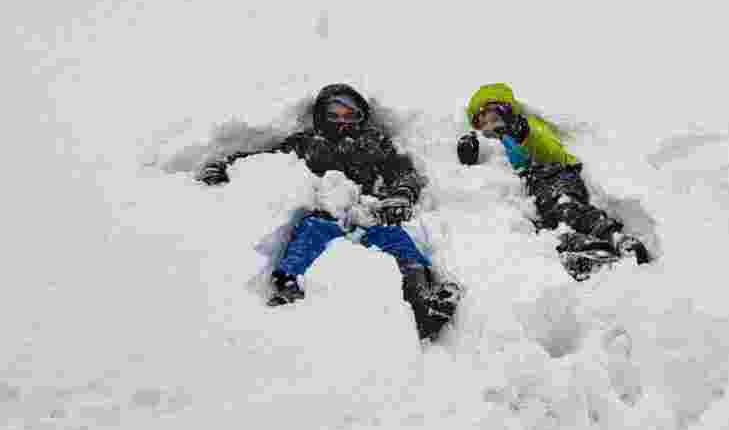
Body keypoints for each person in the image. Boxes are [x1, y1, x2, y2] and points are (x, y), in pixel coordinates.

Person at [195, 84, 461, 340]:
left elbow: (403, 171)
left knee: (398, 240)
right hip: (325, 211)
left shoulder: (375, 142)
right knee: (310, 233)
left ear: (361, 116)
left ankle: (421, 303)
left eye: (350, 114)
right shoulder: (308, 142)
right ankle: (288, 287)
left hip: (368, 213)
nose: (342, 121)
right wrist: (227, 165)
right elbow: (263, 159)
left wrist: (400, 195)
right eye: (333, 115)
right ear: (321, 116)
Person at [456, 83, 651, 280]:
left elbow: (551, 150)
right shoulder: (491, 145)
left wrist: (524, 134)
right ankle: (581, 246)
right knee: (550, 220)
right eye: (483, 124)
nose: (490, 127)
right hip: (532, 191)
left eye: (495, 119)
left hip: (554, 173)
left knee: (566, 207)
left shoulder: (524, 126)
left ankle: (613, 237)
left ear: (508, 113)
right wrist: (470, 155)